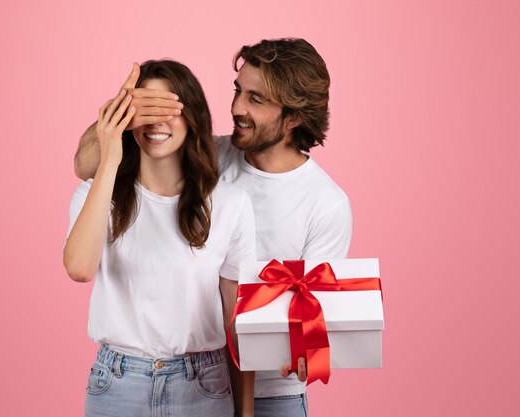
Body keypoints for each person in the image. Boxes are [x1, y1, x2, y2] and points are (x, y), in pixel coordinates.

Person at [74, 38, 352, 417]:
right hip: (209, 382)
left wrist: (308, 348)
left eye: (256, 99)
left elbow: (316, 311)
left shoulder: (326, 203)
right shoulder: (209, 158)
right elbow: (85, 164)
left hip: (278, 389)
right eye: (238, 91)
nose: (237, 107)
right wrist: (120, 113)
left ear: (295, 116)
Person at [64, 59, 256, 417]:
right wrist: (109, 158)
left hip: (203, 387)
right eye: (144, 111)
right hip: (118, 385)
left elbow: (236, 319)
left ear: (193, 117)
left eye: (168, 109)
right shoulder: (97, 194)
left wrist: (246, 413)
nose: (155, 122)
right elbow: (78, 268)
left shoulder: (230, 203)